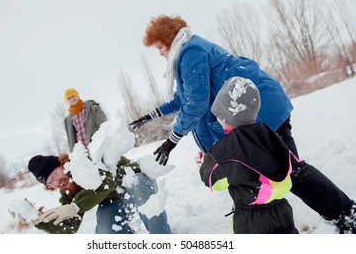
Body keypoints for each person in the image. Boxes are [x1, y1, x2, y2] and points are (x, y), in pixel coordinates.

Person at [129, 14, 355, 233]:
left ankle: (346, 215)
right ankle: (281, 228)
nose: (159, 53)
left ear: (169, 39)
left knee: (290, 171)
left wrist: (172, 141)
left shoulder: (191, 53)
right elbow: (183, 98)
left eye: (160, 47)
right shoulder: (186, 53)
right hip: (251, 115)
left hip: (262, 112)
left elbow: (196, 103)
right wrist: (153, 114)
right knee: (263, 179)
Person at [199, 76, 298, 234]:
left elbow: (213, 182)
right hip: (283, 210)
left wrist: (205, 163)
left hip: (250, 220)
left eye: (219, 114)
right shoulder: (268, 134)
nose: (217, 118)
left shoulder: (224, 149)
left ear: (227, 116)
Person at [28, 153, 172, 234]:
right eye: (50, 183)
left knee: (139, 187)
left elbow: (107, 181)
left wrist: (75, 206)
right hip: (113, 199)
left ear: (61, 164)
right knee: (106, 232)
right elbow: (70, 226)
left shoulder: (83, 160)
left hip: (134, 181)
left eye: (54, 176)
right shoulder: (67, 192)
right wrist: (37, 220)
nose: (56, 183)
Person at [64, 88, 107, 152]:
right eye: (69, 98)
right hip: (83, 152)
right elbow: (71, 139)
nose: (72, 99)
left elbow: (103, 125)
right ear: (67, 101)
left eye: (73, 96)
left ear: (77, 96)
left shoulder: (90, 107)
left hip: (96, 147)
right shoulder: (69, 119)